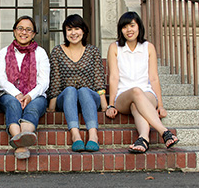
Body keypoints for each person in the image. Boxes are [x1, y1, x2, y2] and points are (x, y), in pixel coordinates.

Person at [106, 11, 179, 153]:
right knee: (135, 92)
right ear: (121, 30)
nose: (129, 30)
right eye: (125, 27)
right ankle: (164, 132)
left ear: (139, 27)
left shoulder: (148, 47)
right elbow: (114, 77)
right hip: (123, 96)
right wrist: (111, 104)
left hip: (147, 93)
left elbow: (153, 78)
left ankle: (143, 138)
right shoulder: (115, 48)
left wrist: (161, 105)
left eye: (132, 25)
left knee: (136, 103)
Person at [47, 14, 107, 152]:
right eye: (69, 29)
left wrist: (105, 105)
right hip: (66, 98)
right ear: (64, 33)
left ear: (84, 31)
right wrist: (51, 107)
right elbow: (55, 81)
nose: (73, 33)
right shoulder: (57, 51)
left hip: (89, 97)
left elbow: (98, 79)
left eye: (77, 28)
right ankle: (75, 135)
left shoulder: (92, 51)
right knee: (70, 90)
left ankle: (93, 136)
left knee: (84, 90)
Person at [0, 16, 49, 159]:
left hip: (36, 95)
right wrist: (17, 94)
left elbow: (44, 82)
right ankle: (21, 142)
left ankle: (21, 140)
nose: (23, 32)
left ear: (33, 34)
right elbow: (0, 79)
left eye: (28, 29)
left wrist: (30, 95)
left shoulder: (40, 53)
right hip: (9, 95)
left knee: (33, 106)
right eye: (20, 28)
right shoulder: (4, 52)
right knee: (13, 104)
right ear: (14, 31)